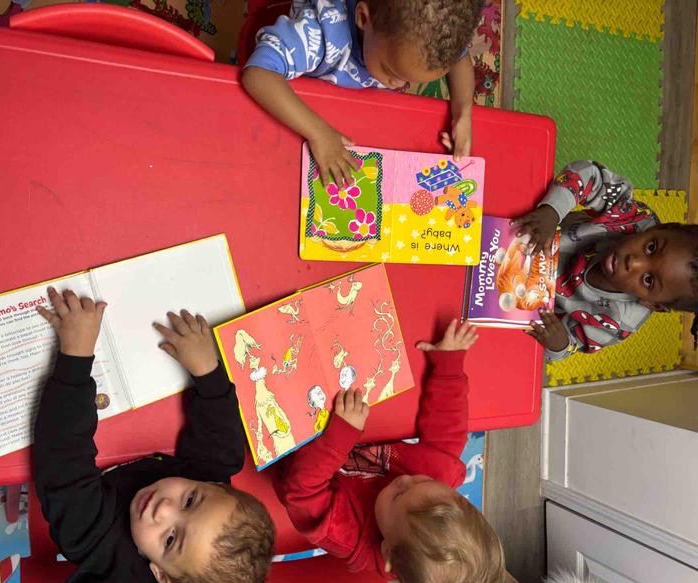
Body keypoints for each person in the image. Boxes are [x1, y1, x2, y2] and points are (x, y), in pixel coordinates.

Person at [34, 287, 275, 583]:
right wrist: (207, 369)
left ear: (160, 573)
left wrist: (75, 357)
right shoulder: (209, 488)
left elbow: (62, 455)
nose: (164, 509)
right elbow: (221, 440)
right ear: (215, 486)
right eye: (190, 500)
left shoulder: (89, 537)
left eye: (171, 539)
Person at [276, 320, 504, 583]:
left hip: (293, 448)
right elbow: (448, 428)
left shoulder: (347, 536)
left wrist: (340, 436)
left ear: (387, 550)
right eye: (423, 481)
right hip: (348, 421)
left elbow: (299, 490)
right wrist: (448, 362)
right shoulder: (435, 486)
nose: (405, 479)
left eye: (398, 495)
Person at [242, 0, 482, 186]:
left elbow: (460, 60)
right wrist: (318, 133)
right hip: (287, 118)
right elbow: (258, 73)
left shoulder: (434, 36)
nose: (397, 85)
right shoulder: (319, 35)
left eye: (409, 80)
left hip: (353, 117)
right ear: (363, 18)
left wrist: (463, 112)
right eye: (391, 71)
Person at [512, 160, 698, 361]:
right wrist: (552, 211)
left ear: (653, 304)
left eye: (648, 280)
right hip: (528, 224)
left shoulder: (619, 322)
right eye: (651, 247)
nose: (633, 262)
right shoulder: (635, 217)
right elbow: (588, 174)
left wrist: (560, 345)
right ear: (660, 228)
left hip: (516, 296)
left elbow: (570, 345)